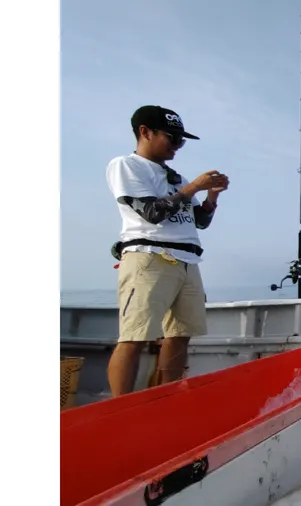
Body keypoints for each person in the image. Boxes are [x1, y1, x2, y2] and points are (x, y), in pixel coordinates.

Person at [105, 105, 229, 397]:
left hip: (187, 261)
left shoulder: (178, 179)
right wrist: (194, 187)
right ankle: (118, 410)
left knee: (180, 335)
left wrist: (211, 196)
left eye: (180, 141)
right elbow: (151, 212)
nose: (177, 146)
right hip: (149, 258)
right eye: (172, 138)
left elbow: (201, 221)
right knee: (133, 337)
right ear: (145, 132)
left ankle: (166, 399)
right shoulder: (126, 166)